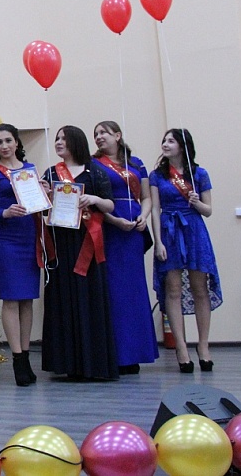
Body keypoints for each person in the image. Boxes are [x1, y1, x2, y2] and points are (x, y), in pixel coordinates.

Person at [40, 126, 118, 381]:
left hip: (87, 242)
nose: (59, 142)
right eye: (57, 139)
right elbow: (42, 208)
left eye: (64, 138)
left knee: (89, 298)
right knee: (63, 299)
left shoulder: (94, 171)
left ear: (76, 141)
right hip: (61, 242)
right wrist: (45, 194)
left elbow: (109, 204)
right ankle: (68, 363)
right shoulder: (51, 173)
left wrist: (93, 199)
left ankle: (94, 363)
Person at [149, 128, 220, 373]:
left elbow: (208, 210)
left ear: (183, 145)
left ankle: (203, 346)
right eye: (164, 140)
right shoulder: (157, 176)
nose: (165, 144)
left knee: (200, 288)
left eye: (171, 140)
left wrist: (196, 202)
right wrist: (158, 241)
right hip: (169, 230)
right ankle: (181, 347)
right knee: (173, 289)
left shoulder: (199, 174)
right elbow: (155, 209)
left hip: (194, 230)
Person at [93, 121, 159, 374]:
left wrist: (144, 216)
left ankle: (137, 352)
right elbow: (96, 204)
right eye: (96, 134)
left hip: (134, 229)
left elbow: (146, 197)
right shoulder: (95, 164)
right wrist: (114, 221)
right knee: (114, 292)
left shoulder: (136, 163)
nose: (99, 137)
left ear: (118, 135)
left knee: (134, 291)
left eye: (104, 133)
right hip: (110, 228)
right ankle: (118, 354)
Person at [0, 123, 42, 386]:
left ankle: (26, 355)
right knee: (11, 299)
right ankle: (17, 358)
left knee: (27, 300)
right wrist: (4, 213)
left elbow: (38, 205)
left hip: (29, 238)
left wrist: (45, 194)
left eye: (8, 140)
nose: (4, 146)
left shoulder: (30, 169)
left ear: (17, 142)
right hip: (6, 241)